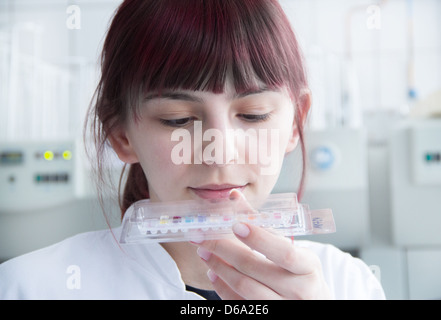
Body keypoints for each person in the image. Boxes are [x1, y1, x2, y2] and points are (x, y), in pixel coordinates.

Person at [0, 0, 385, 300]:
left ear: (295, 124)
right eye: (177, 119)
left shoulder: (349, 284)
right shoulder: (30, 288)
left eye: (253, 115)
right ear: (121, 135)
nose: (219, 153)